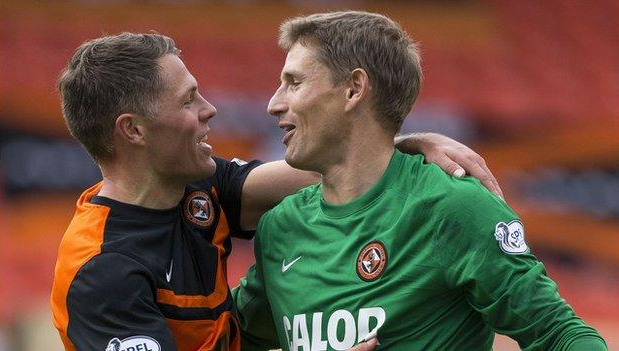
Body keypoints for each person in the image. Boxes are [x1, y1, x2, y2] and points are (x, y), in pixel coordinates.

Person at [49, 32, 500, 351]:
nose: (210, 110)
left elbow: (338, 167)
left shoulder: (198, 190)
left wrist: (408, 142)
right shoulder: (102, 271)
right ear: (133, 130)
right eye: (188, 101)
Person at [233, 11, 607, 351]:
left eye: (294, 83)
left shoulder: (452, 206)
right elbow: (227, 341)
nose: (273, 104)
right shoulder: (280, 228)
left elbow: (560, 335)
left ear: (353, 89)